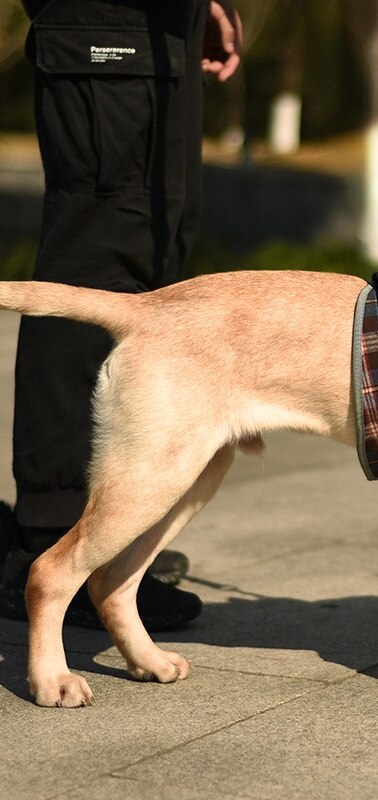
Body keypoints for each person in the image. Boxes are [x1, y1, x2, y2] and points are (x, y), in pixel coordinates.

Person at [0, 0, 242, 631]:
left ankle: (101, 535)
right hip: (108, 22)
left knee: (146, 274)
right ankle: (49, 535)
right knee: (96, 268)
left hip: (159, 28)